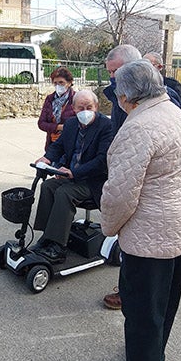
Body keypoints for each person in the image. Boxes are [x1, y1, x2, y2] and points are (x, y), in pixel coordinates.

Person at [100, 60, 181, 361]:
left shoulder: (139, 127)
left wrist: (108, 228)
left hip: (149, 233)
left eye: (117, 93)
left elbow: (121, 193)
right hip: (180, 226)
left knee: (142, 311)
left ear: (127, 94)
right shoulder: (176, 114)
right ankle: (151, 360)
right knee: (163, 306)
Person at [31, 90, 114, 258]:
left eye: (89, 107)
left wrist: (73, 172)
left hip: (93, 181)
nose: (85, 111)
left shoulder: (106, 126)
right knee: (47, 186)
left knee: (64, 192)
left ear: (96, 107)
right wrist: (47, 159)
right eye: (80, 107)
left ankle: (59, 246)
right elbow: (58, 146)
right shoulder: (70, 124)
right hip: (71, 175)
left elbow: (101, 161)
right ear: (74, 109)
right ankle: (47, 236)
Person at [103, 44, 142, 133]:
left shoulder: (151, 95)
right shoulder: (116, 95)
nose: (112, 76)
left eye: (116, 71)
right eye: (109, 72)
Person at [37, 66, 76, 150]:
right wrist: (57, 127)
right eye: (55, 83)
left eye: (61, 82)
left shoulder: (76, 98)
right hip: (52, 144)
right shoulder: (50, 99)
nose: (58, 86)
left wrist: (65, 129)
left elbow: (79, 124)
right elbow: (41, 123)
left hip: (71, 145)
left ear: (69, 83)